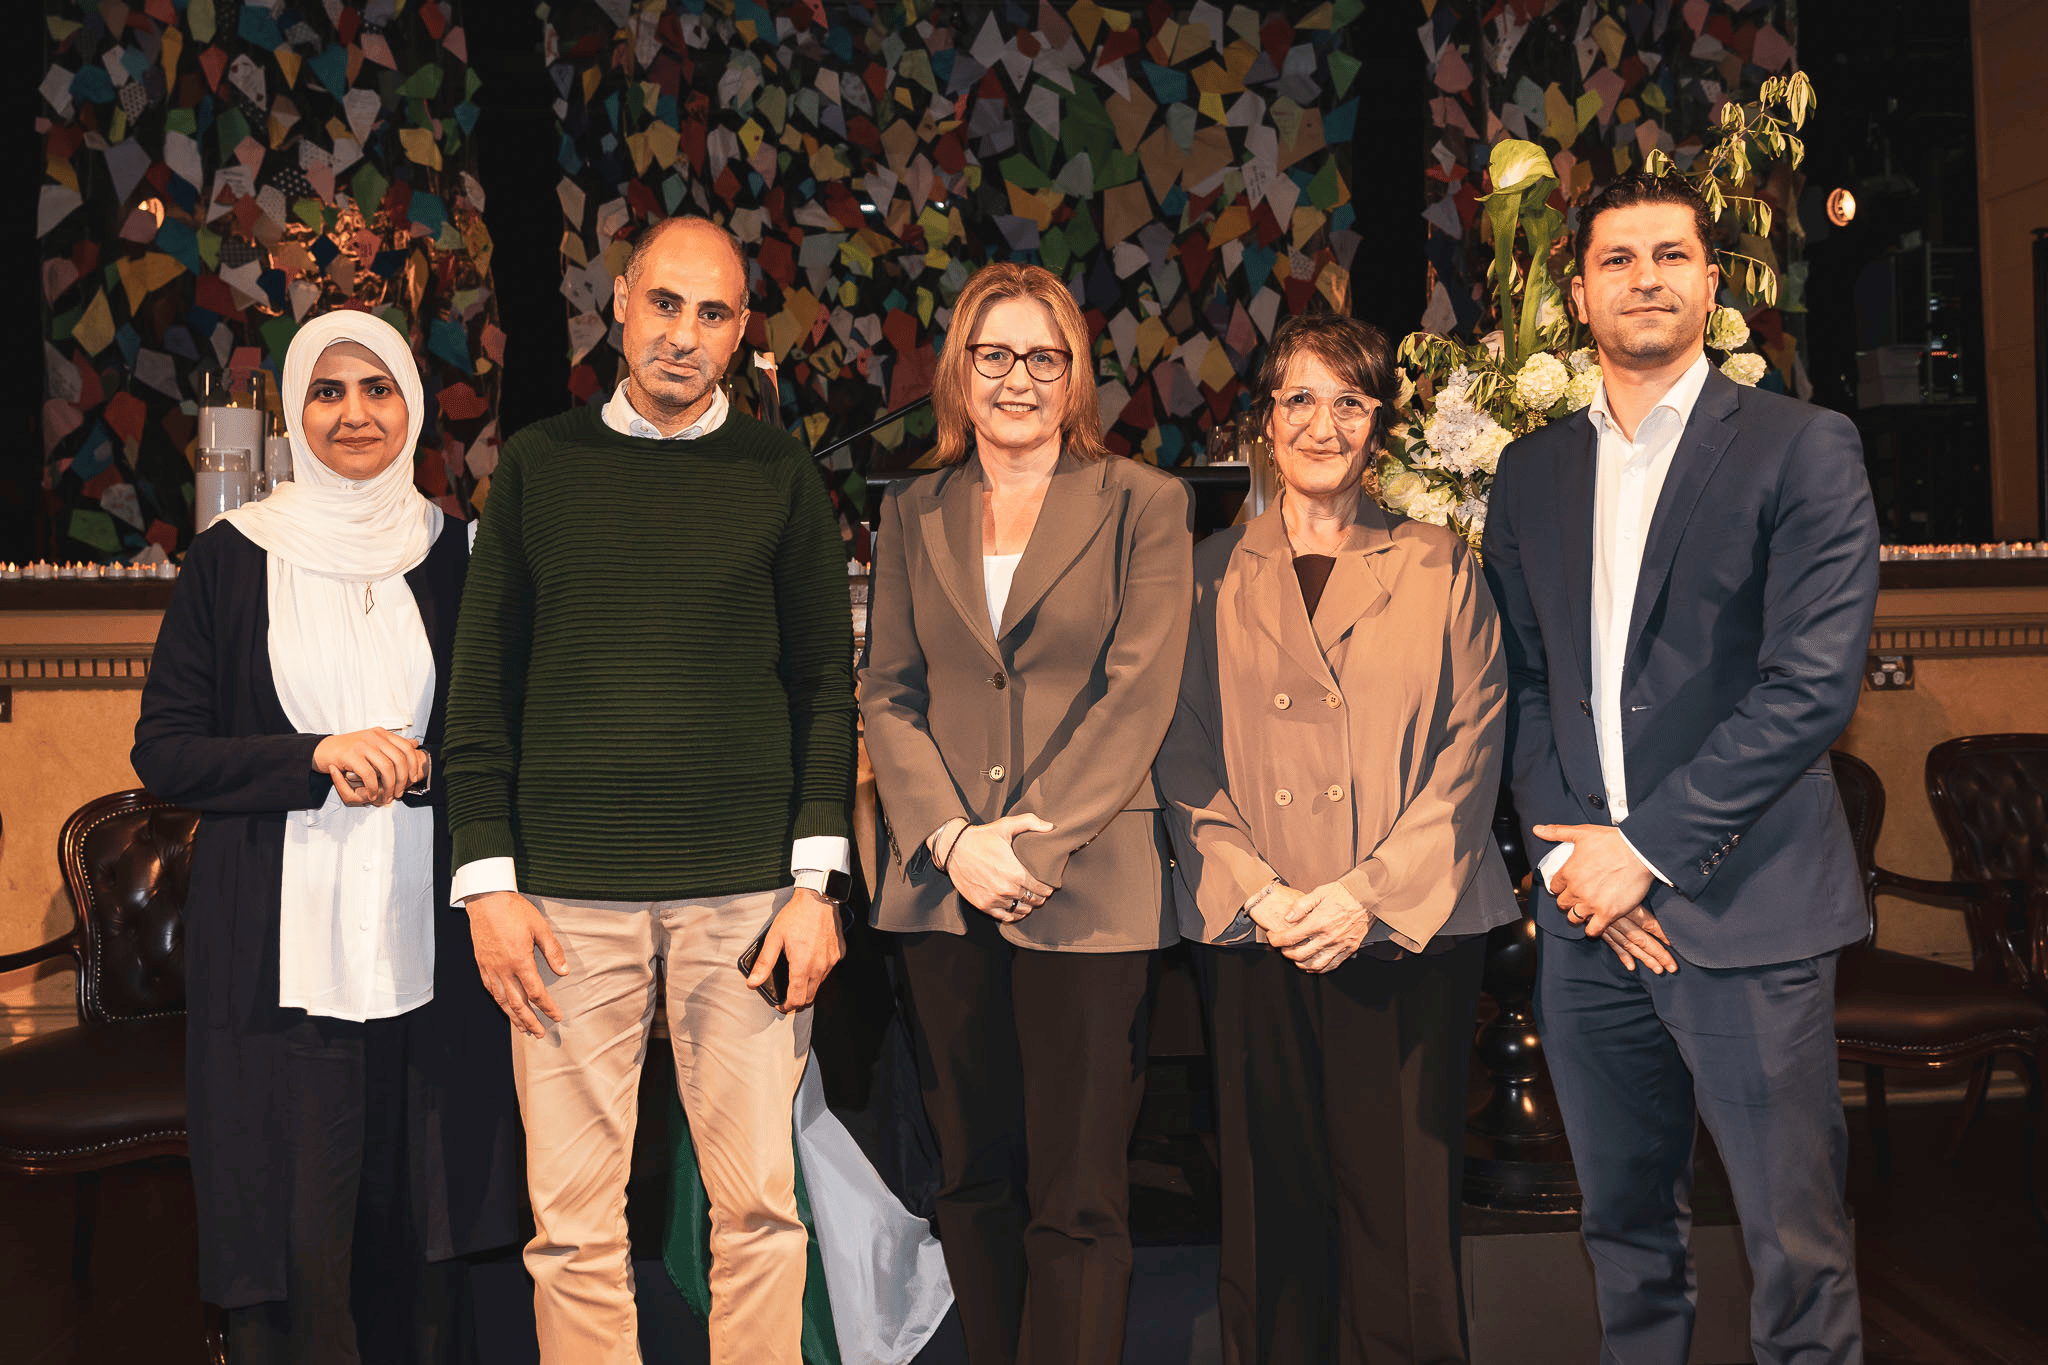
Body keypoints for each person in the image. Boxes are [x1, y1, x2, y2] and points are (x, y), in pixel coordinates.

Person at [442, 215, 857, 1365]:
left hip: (749, 906)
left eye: (712, 314)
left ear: (738, 335)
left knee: (761, 1216)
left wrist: (817, 883)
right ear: (618, 303)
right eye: (665, 304)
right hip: (564, 907)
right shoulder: (533, 466)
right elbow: (479, 698)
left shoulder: (779, 476)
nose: (683, 334)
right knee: (571, 1235)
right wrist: (487, 887)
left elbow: (828, 686)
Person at [1482, 171, 1876, 1364]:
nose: (1644, 276)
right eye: (1616, 258)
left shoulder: (1801, 447)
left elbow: (1807, 685)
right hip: (1588, 924)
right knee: (1622, 1233)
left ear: (1712, 283)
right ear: (1577, 293)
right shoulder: (1530, 470)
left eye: (1668, 255)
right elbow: (1526, 685)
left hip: (1743, 911)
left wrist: (1642, 854)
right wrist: (1574, 861)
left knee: (1792, 1248)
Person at [132, 310, 519, 1363]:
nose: (355, 413)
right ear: (294, 414)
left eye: (378, 389)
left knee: (425, 1219)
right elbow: (163, 751)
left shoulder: (457, 558)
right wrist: (309, 756)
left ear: (414, 408)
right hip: (278, 956)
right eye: (329, 392)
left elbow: (502, 735)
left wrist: (429, 763)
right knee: (297, 1232)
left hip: (434, 951)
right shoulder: (229, 561)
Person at [1157, 312, 1518, 1365]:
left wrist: (1362, 893)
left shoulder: (1440, 565)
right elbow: (1174, 750)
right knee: (1267, 1222)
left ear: (1379, 427)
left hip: (1405, 935)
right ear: (1264, 424)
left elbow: (1470, 751)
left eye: (1349, 401)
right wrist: (1259, 891)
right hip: (1253, 932)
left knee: (1401, 1223)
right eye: (1299, 399)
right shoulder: (1198, 573)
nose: (1323, 423)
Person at [858, 261, 1193, 1365]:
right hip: (943, 894)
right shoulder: (911, 508)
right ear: (959, 370)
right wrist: (953, 841)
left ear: (1073, 375)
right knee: (972, 1180)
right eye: (992, 355)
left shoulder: (1143, 502)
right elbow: (887, 693)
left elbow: (1137, 690)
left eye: (1040, 357)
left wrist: (1028, 843)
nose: (1016, 378)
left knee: (1080, 1194)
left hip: (1084, 891)